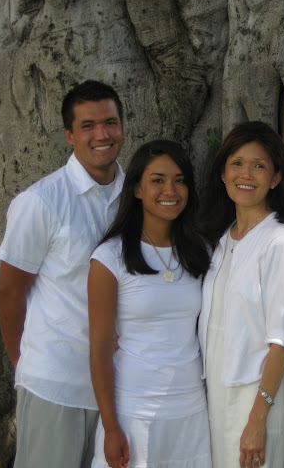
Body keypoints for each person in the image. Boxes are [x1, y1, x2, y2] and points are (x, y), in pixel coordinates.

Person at [0, 80, 125, 468]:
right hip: (56, 386)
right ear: (69, 134)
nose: (101, 134)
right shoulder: (40, 202)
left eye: (110, 122)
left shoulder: (138, 197)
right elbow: (9, 294)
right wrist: (28, 367)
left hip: (120, 389)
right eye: (87, 125)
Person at [88, 140, 212, 468]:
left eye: (180, 180)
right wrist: (111, 426)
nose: (170, 189)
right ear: (138, 189)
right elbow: (99, 348)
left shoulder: (203, 252)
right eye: (157, 180)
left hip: (190, 409)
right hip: (132, 410)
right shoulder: (109, 258)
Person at [199, 121, 284, 468]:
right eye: (237, 163)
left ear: (275, 178)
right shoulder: (223, 240)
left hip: (257, 400)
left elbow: (282, 339)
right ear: (222, 173)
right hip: (219, 397)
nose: (247, 174)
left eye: (259, 165)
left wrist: (257, 419)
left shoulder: (279, 241)